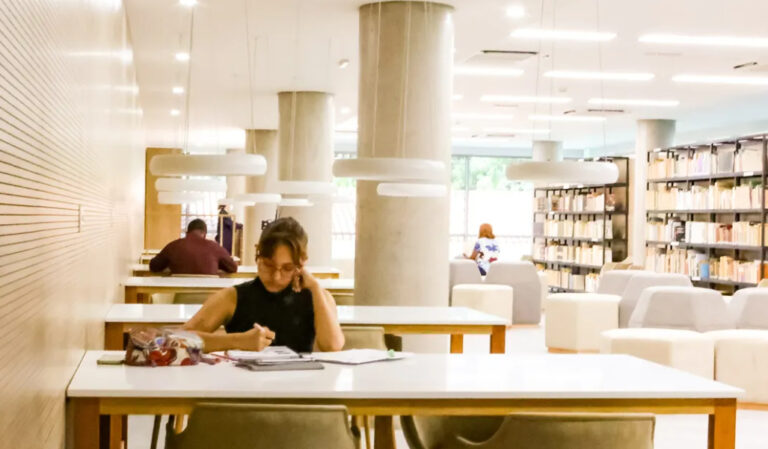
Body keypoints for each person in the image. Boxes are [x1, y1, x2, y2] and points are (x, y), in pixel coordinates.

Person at [182, 217, 345, 353]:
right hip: (242, 388)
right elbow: (180, 340)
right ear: (257, 254)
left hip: (300, 388)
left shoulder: (316, 297)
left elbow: (333, 346)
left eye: (287, 268)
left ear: (302, 263)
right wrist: (236, 341)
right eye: (268, 265)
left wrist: (315, 288)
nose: (276, 276)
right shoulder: (233, 297)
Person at [149, 219, 238, 275]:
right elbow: (233, 268)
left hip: (177, 297)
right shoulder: (215, 247)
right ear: (204, 233)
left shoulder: (173, 246)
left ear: (187, 232)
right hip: (209, 298)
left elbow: (154, 266)